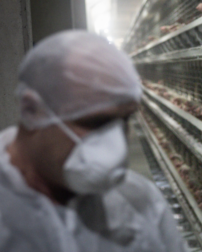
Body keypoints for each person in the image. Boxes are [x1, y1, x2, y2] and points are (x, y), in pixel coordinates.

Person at [0, 31, 186, 252]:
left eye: (124, 120)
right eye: (95, 122)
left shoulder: (141, 201)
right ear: (32, 111)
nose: (116, 144)